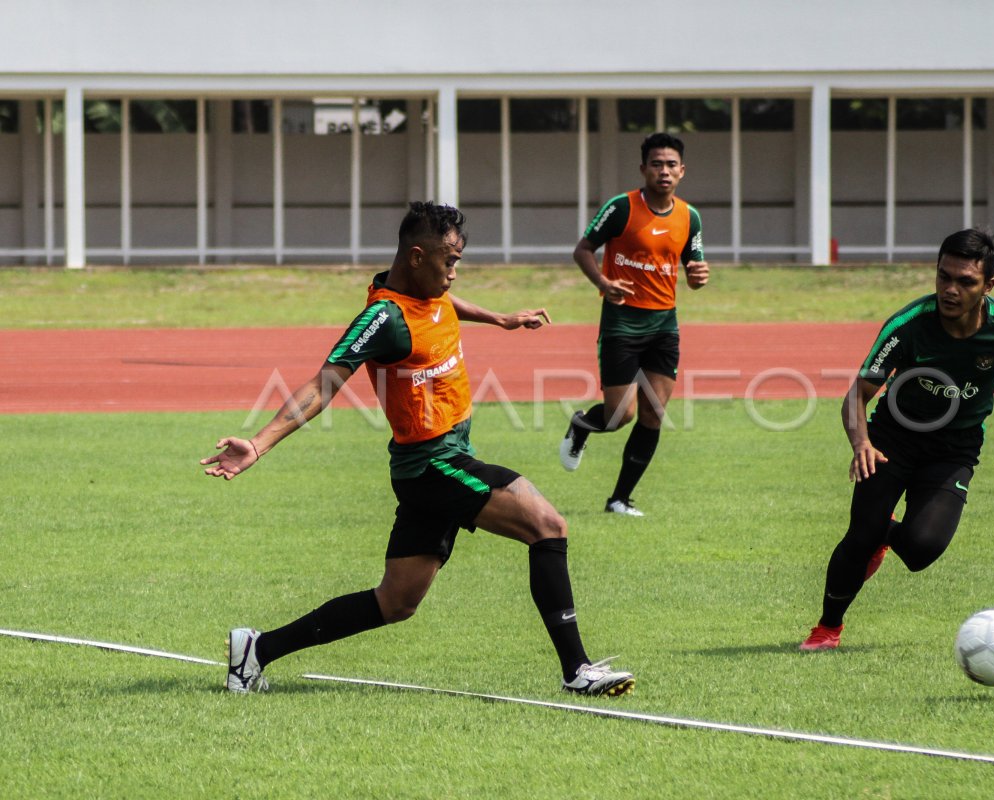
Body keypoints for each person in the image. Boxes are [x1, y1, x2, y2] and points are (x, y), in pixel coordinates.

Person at [201, 202, 634, 696]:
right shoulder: (383, 317)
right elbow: (324, 383)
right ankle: (577, 670)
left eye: (457, 263)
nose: (453, 273)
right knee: (548, 525)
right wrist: (258, 444)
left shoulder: (430, 293)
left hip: (432, 466)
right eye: (447, 262)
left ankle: (256, 650)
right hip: (433, 464)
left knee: (396, 602)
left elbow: (446, 307)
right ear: (414, 257)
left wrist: (500, 318)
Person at [799, 228, 994, 651]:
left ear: (988, 286)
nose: (950, 290)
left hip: (955, 447)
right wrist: (861, 443)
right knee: (860, 534)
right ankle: (828, 628)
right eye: (943, 277)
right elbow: (856, 396)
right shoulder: (908, 326)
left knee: (921, 550)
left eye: (965, 281)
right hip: (892, 438)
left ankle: (884, 534)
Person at [558, 132, 709, 517]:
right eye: (656, 164)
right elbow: (583, 249)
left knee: (653, 412)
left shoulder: (689, 217)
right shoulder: (621, 208)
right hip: (622, 326)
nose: (664, 171)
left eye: (671, 164)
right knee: (618, 415)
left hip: (664, 327)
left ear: (683, 171)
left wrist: (697, 277)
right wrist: (603, 283)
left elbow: (692, 269)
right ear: (643, 168)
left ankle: (619, 499)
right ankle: (581, 425)